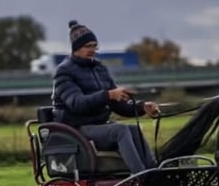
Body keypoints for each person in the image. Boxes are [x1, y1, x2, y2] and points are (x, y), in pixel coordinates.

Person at [51, 20, 160, 173]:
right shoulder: (64, 72)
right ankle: (141, 176)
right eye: (88, 46)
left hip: (98, 125)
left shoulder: (100, 69)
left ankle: (154, 172)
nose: (93, 50)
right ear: (76, 48)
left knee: (134, 129)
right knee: (119, 130)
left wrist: (142, 107)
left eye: (95, 46)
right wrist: (107, 95)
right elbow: (77, 103)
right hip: (76, 129)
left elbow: (117, 103)